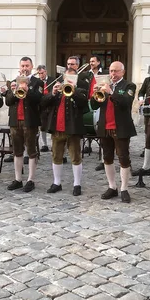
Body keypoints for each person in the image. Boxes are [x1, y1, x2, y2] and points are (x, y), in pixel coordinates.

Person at [40, 56, 89, 196]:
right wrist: (53, 93)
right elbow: (44, 103)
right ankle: (57, 182)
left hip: (72, 128)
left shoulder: (81, 86)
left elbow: (83, 103)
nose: (68, 80)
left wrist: (73, 90)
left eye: (71, 78)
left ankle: (77, 184)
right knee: (56, 156)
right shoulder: (58, 86)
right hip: (57, 128)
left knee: (75, 156)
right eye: (66, 77)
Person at [90, 61, 137, 203]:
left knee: (123, 158)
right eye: (111, 71)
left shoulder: (128, 86)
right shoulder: (104, 85)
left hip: (120, 127)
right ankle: (112, 187)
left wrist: (111, 92)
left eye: (116, 71)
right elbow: (93, 105)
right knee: (107, 157)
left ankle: (124, 188)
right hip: (105, 126)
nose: (113, 74)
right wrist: (95, 94)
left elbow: (126, 102)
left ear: (122, 72)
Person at [4, 57, 44, 192]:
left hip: (30, 121)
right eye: (22, 66)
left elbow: (38, 100)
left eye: (27, 66)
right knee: (17, 151)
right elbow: (8, 101)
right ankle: (18, 179)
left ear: (31, 67)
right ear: (19, 67)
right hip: (15, 121)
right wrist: (14, 92)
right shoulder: (14, 81)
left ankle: (31, 180)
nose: (24, 68)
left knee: (32, 151)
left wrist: (27, 90)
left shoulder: (37, 82)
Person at [37, 65, 54, 153]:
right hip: (42, 106)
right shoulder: (37, 82)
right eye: (39, 73)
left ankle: (53, 145)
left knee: (52, 125)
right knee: (42, 126)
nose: (41, 75)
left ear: (46, 72)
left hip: (51, 105)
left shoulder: (52, 80)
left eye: (42, 73)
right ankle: (44, 144)